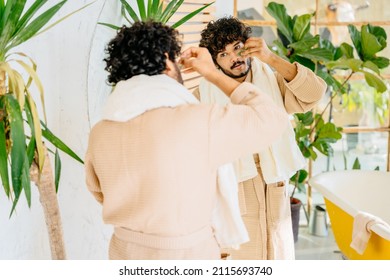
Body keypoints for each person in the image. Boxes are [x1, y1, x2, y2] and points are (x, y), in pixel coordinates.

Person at [84, 21, 291, 260]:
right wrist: (212, 73)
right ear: (166, 60)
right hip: (188, 255)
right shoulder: (198, 122)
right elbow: (272, 119)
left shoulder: (100, 132)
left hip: (124, 253)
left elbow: (98, 191)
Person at [194, 16, 327, 260]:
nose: (234, 58)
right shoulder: (202, 95)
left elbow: (315, 93)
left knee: (277, 253)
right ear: (214, 63)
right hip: (234, 187)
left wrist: (272, 58)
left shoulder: (273, 81)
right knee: (239, 259)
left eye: (236, 48)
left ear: (248, 45)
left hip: (273, 181)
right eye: (223, 55)